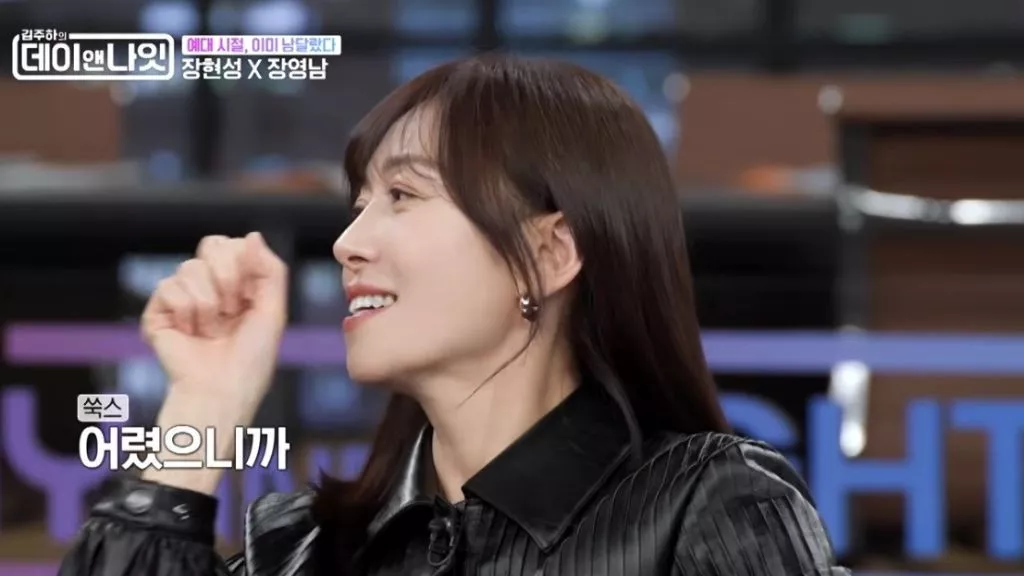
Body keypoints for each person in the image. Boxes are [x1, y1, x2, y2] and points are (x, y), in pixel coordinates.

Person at [59, 54, 850, 576]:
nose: (348, 243)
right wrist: (203, 405)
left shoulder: (704, 504)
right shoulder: (304, 546)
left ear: (551, 252)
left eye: (402, 195)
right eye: (358, 204)